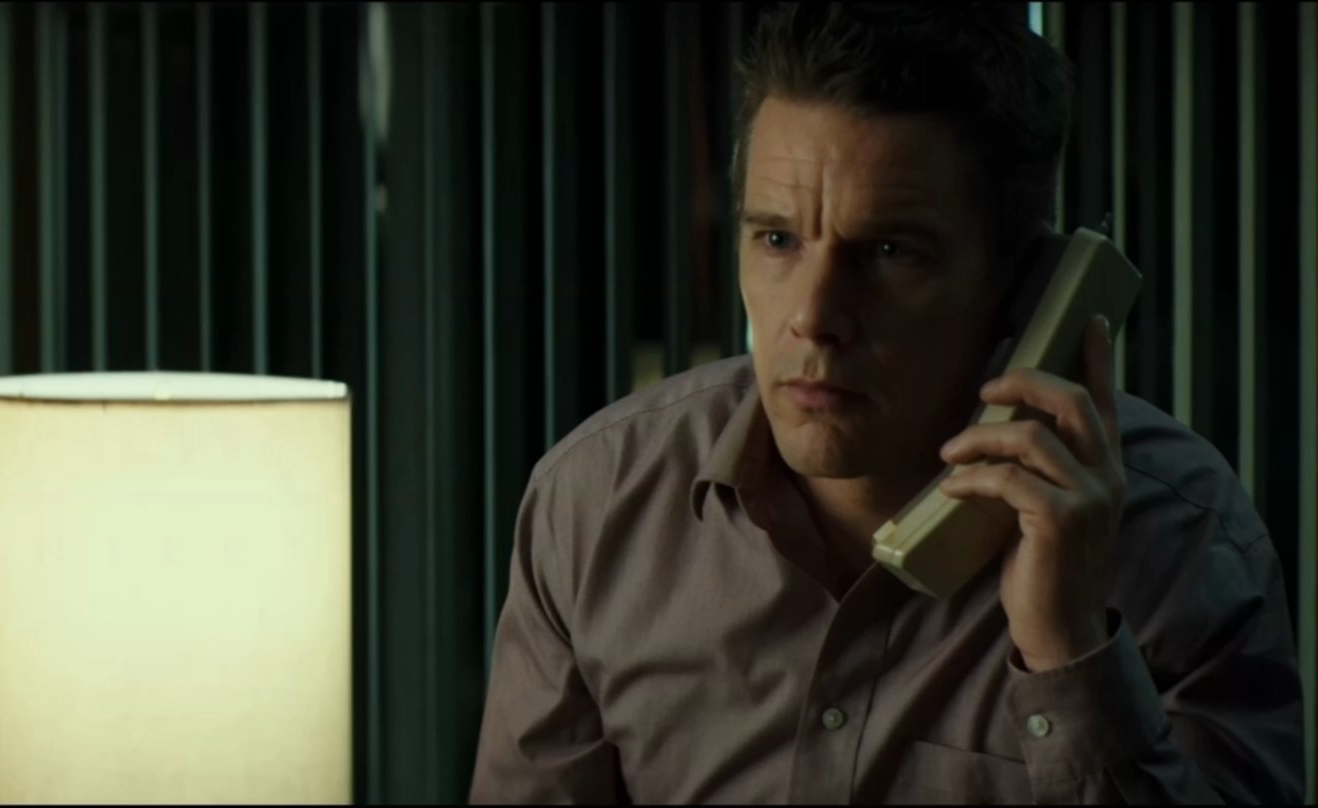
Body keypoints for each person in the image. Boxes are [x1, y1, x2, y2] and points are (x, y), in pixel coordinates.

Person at [468, 3, 1306, 803]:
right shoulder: (595, 506)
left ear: (1025, 292)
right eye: (777, 239)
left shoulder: (1183, 540)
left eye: (890, 251)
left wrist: (1072, 652)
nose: (813, 317)